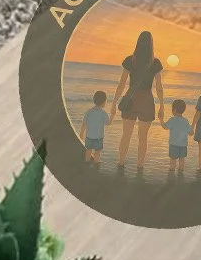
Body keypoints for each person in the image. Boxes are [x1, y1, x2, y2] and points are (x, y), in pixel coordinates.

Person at [111, 31, 163, 178]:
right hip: (146, 100)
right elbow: (159, 86)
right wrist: (162, 106)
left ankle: (120, 164)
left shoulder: (130, 60)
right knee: (143, 138)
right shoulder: (155, 62)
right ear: (151, 44)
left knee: (126, 135)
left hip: (131, 99)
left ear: (138, 42)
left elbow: (121, 84)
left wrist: (114, 103)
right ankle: (139, 168)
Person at [163, 99, 192, 180]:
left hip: (173, 144)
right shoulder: (186, 121)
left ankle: (171, 176)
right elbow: (191, 133)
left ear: (174, 110)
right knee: (181, 160)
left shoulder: (172, 119)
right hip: (183, 145)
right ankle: (180, 175)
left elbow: (165, 127)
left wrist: (161, 120)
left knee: (173, 160)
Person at [81, 89, 108, 167]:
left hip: (89, 136)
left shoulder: (89, 111)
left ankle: (87, 162)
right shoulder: (103, 113)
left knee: (88, 149)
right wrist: (113, 115)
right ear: (104, 102)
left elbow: (84, 123)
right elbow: (107, 123)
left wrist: (81, 133)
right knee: (97, 151)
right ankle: (96, 162)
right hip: (99, 137)